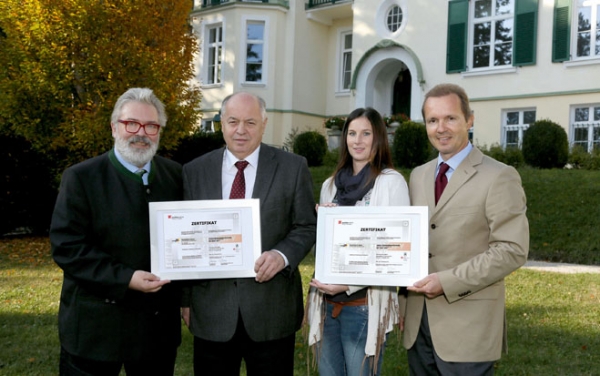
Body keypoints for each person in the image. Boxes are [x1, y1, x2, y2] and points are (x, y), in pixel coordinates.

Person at [181, 91, 317, 375]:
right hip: (212, 311)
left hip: (271, 313)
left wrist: (282, 255)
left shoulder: (292, 168)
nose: (240, 130)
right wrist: (185, 300)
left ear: (264, 124)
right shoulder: (194, 171)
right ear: (221, 124)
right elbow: (185, 238)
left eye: (250, 122)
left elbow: (306, 225)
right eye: (233, 121)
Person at [50, 88, 183, 375]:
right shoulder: (81, 177)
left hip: (156, 331)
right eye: (131, 123)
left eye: (151, 125)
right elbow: (67, 247)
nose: (141, 133)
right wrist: (126, 278)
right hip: (95, 332)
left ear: (160, 131)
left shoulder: (176, 176)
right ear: (114, 127)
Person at [401, 83, 529, 375]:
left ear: (469, 120)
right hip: (418, 325)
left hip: (469, 327)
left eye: (450, 118)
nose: (441, 128)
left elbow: (512, 250)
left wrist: (447, 281)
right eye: (433, 120)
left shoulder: (499, 176)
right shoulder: (418, 176)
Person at [305, 107, 410, 376]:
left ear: (379, 139)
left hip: (364, 305)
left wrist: (348, 284)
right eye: (352, 133)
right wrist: (324, 225)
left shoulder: (390, 182)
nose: (358, 140)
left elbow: (396, 250)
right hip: (326, 304)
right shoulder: (331, 185)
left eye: (366, 133)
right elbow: (325, 249)